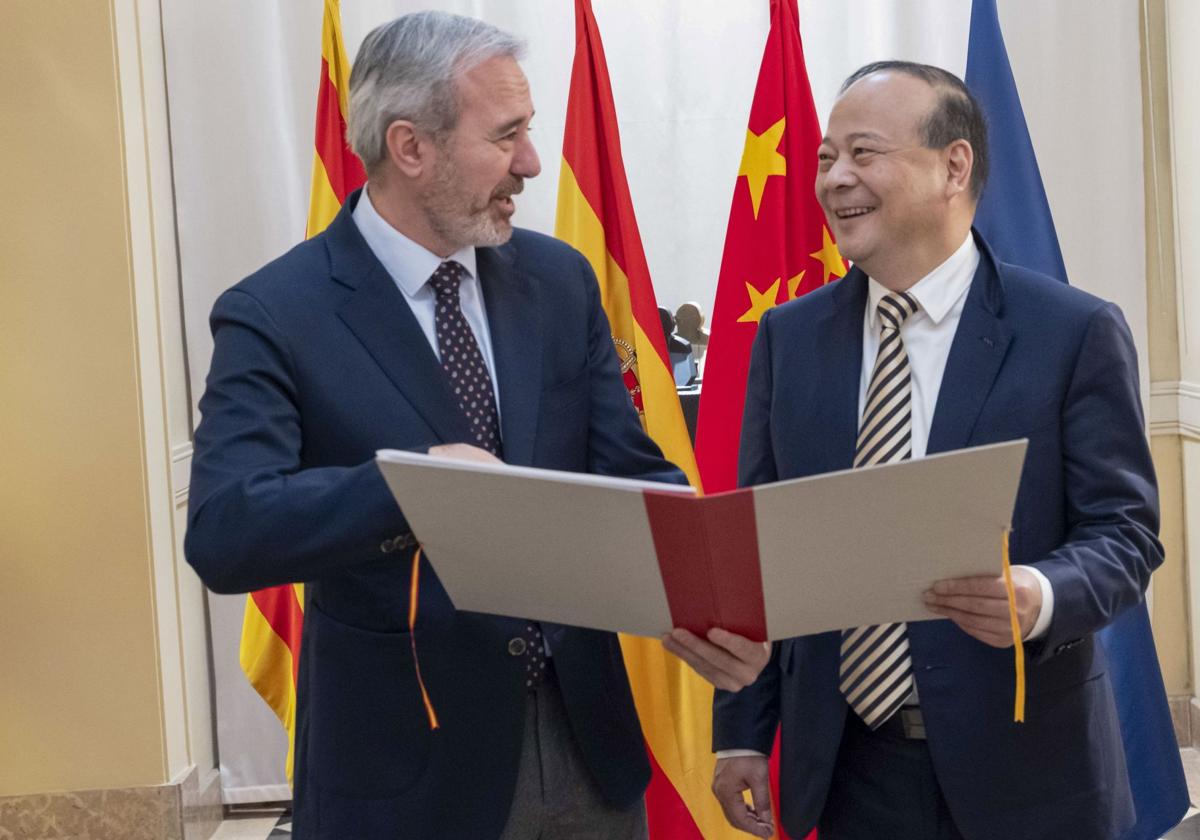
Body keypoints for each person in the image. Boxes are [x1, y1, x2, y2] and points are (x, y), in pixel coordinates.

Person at [185, 12, 764, 840]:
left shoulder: (560, 282)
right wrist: (410, 489)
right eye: (507, 136)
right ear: (411, 147)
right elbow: (225, 529)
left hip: (588, 758)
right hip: (402, 773)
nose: (531, 162)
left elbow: (635, 472)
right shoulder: (276, 313)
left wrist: (702, 599)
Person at [707, 62, 1163, 840]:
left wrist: (1040, 594)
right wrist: (744, 730)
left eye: (863, 153)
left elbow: (1126, 533)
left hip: (1027, 771)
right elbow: (761, 549)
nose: (833, 179)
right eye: (825, 158)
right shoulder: (790, 339)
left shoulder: (1071, 332)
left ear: (954, 166)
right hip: (850, 769)